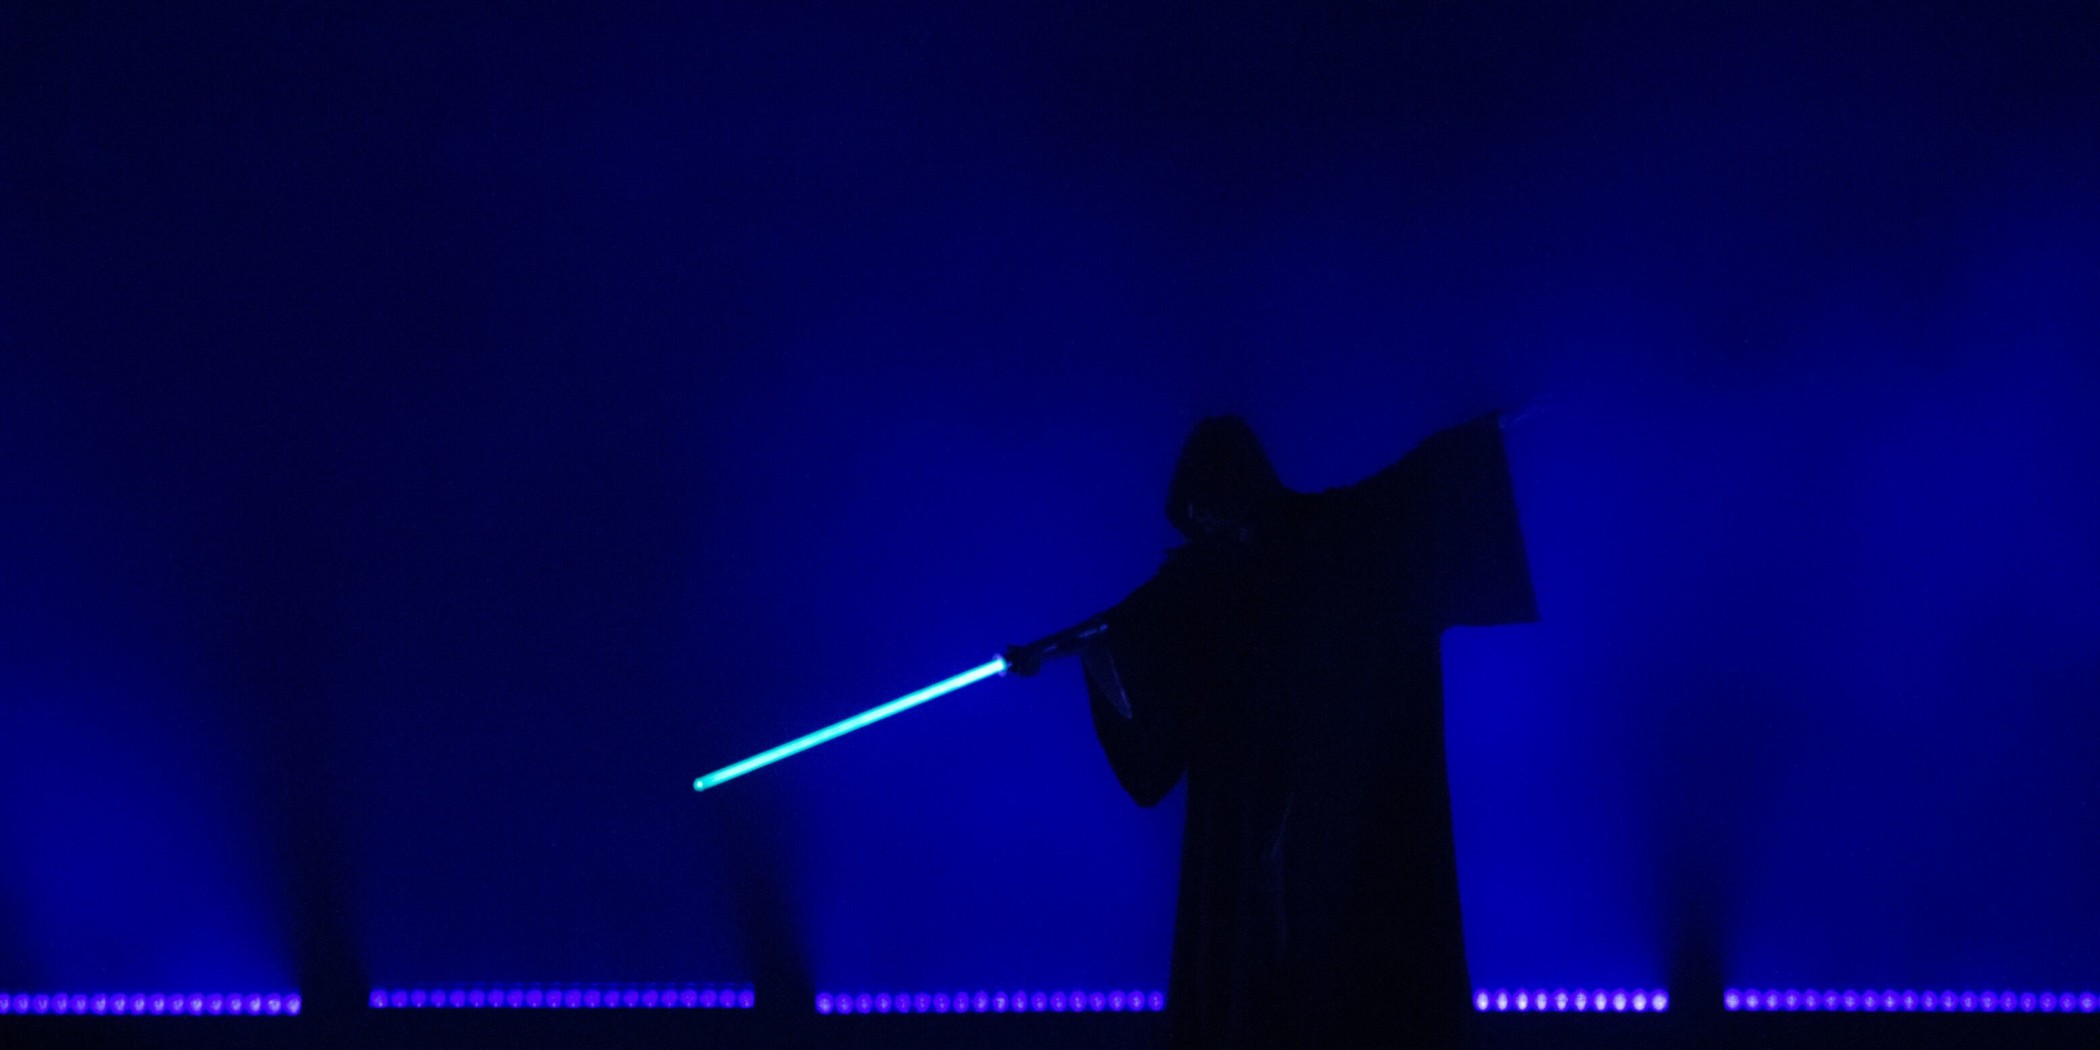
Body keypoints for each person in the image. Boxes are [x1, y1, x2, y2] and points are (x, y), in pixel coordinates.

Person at [1020, 412, 1536, 1049]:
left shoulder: (1325, 535)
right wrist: (1065, 649)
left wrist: (1475, 446)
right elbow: (1133, 626)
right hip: (1244, 795)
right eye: (1198, 513)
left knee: (1333, 936)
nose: (1208, 523)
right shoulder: (1206, 578)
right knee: (1254, 945)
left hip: (1331, 785)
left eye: (1211, 504)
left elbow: (1397, 508)